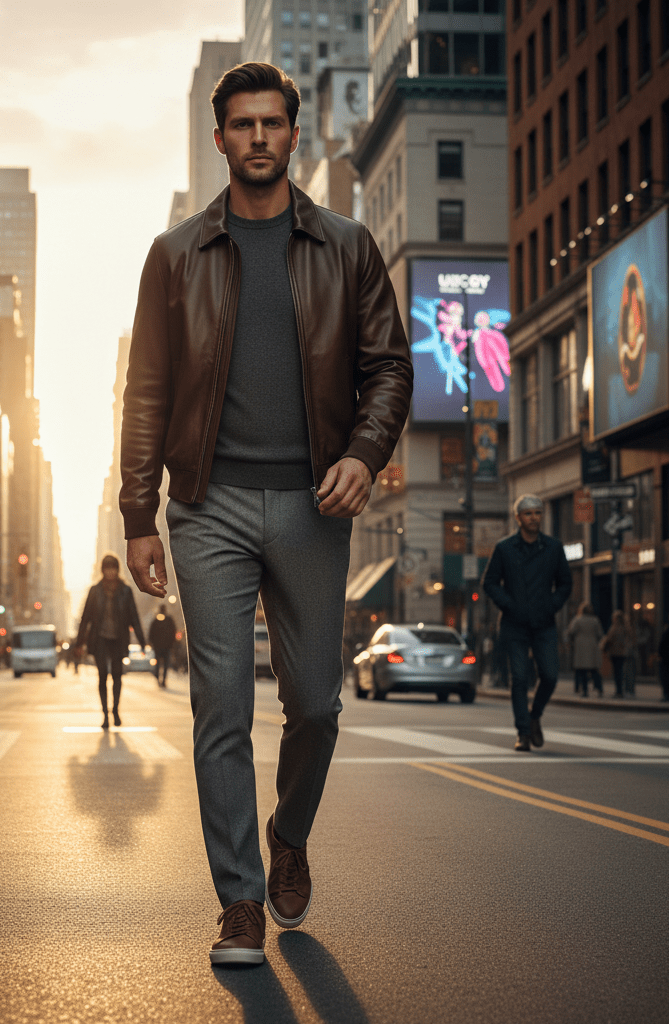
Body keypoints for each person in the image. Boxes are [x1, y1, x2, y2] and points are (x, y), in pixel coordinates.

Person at [120, 62, 412, 966]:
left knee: (317, 704)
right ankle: (240, 900)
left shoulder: (348, 246)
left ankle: (290, 833)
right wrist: (140, 513)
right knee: (219, 709)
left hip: (313, 502)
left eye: (272, 123)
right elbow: (148, 390)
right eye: (240, 124)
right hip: (206, 507)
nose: (257, 137)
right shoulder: (174, 254)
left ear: (292, 135)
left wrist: (365, 455)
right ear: (220, 140)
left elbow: (390, 366)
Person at [482, 494, 573, 752]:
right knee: (519, 678)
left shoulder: (554, 548)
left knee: (550, 675)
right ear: (518, 518)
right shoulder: (505, 548)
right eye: (529, 513)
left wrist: (552, 605)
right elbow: (489, 583)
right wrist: (510, 605)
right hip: (514, 624)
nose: (534, 518)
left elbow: (565, 583)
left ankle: (535, 717)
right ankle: (523, 732)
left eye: (538, 513)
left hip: (544, 622)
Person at [75, 554, 147, 729]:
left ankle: (115, 710)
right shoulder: (95, 591)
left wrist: (142, 640)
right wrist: (79, 643)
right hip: (99, 639)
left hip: (119, 639)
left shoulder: (126, 590)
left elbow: (134, 616)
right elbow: (86, 618)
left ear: (117, 569)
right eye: (107, 569)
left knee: (117, 676)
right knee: (101, 676)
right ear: (103, 570)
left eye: (113, 568)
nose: (110, 572)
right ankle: (105, 715)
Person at [566, 602, 604, 698]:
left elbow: (571, 631)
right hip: (592, 646)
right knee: (594, 670)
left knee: (582, 671)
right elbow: (600, 634)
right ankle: (599, 688)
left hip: (580, 647)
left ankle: (585, 691)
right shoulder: (595, 620)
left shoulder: (577, 620)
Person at [601, 609, 634, 698]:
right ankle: (624, 690)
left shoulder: (614, 628)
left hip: (615, 653)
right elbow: (630, 639)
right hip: (623, 653)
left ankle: (618, 691)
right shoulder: (626, 628)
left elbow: (609, 639)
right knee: (622, 671)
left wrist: (604, 648)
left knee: (617, 673)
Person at [148, 605, 178, 688]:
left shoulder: (156, 620)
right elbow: (173, 632)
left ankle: (158, 677)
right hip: (166, 646)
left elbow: (151, 632)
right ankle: (163, 679)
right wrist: (172, 643)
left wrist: (151, 642)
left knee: (159, 663)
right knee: (165, 664)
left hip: (159, 646)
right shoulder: (169, 620)